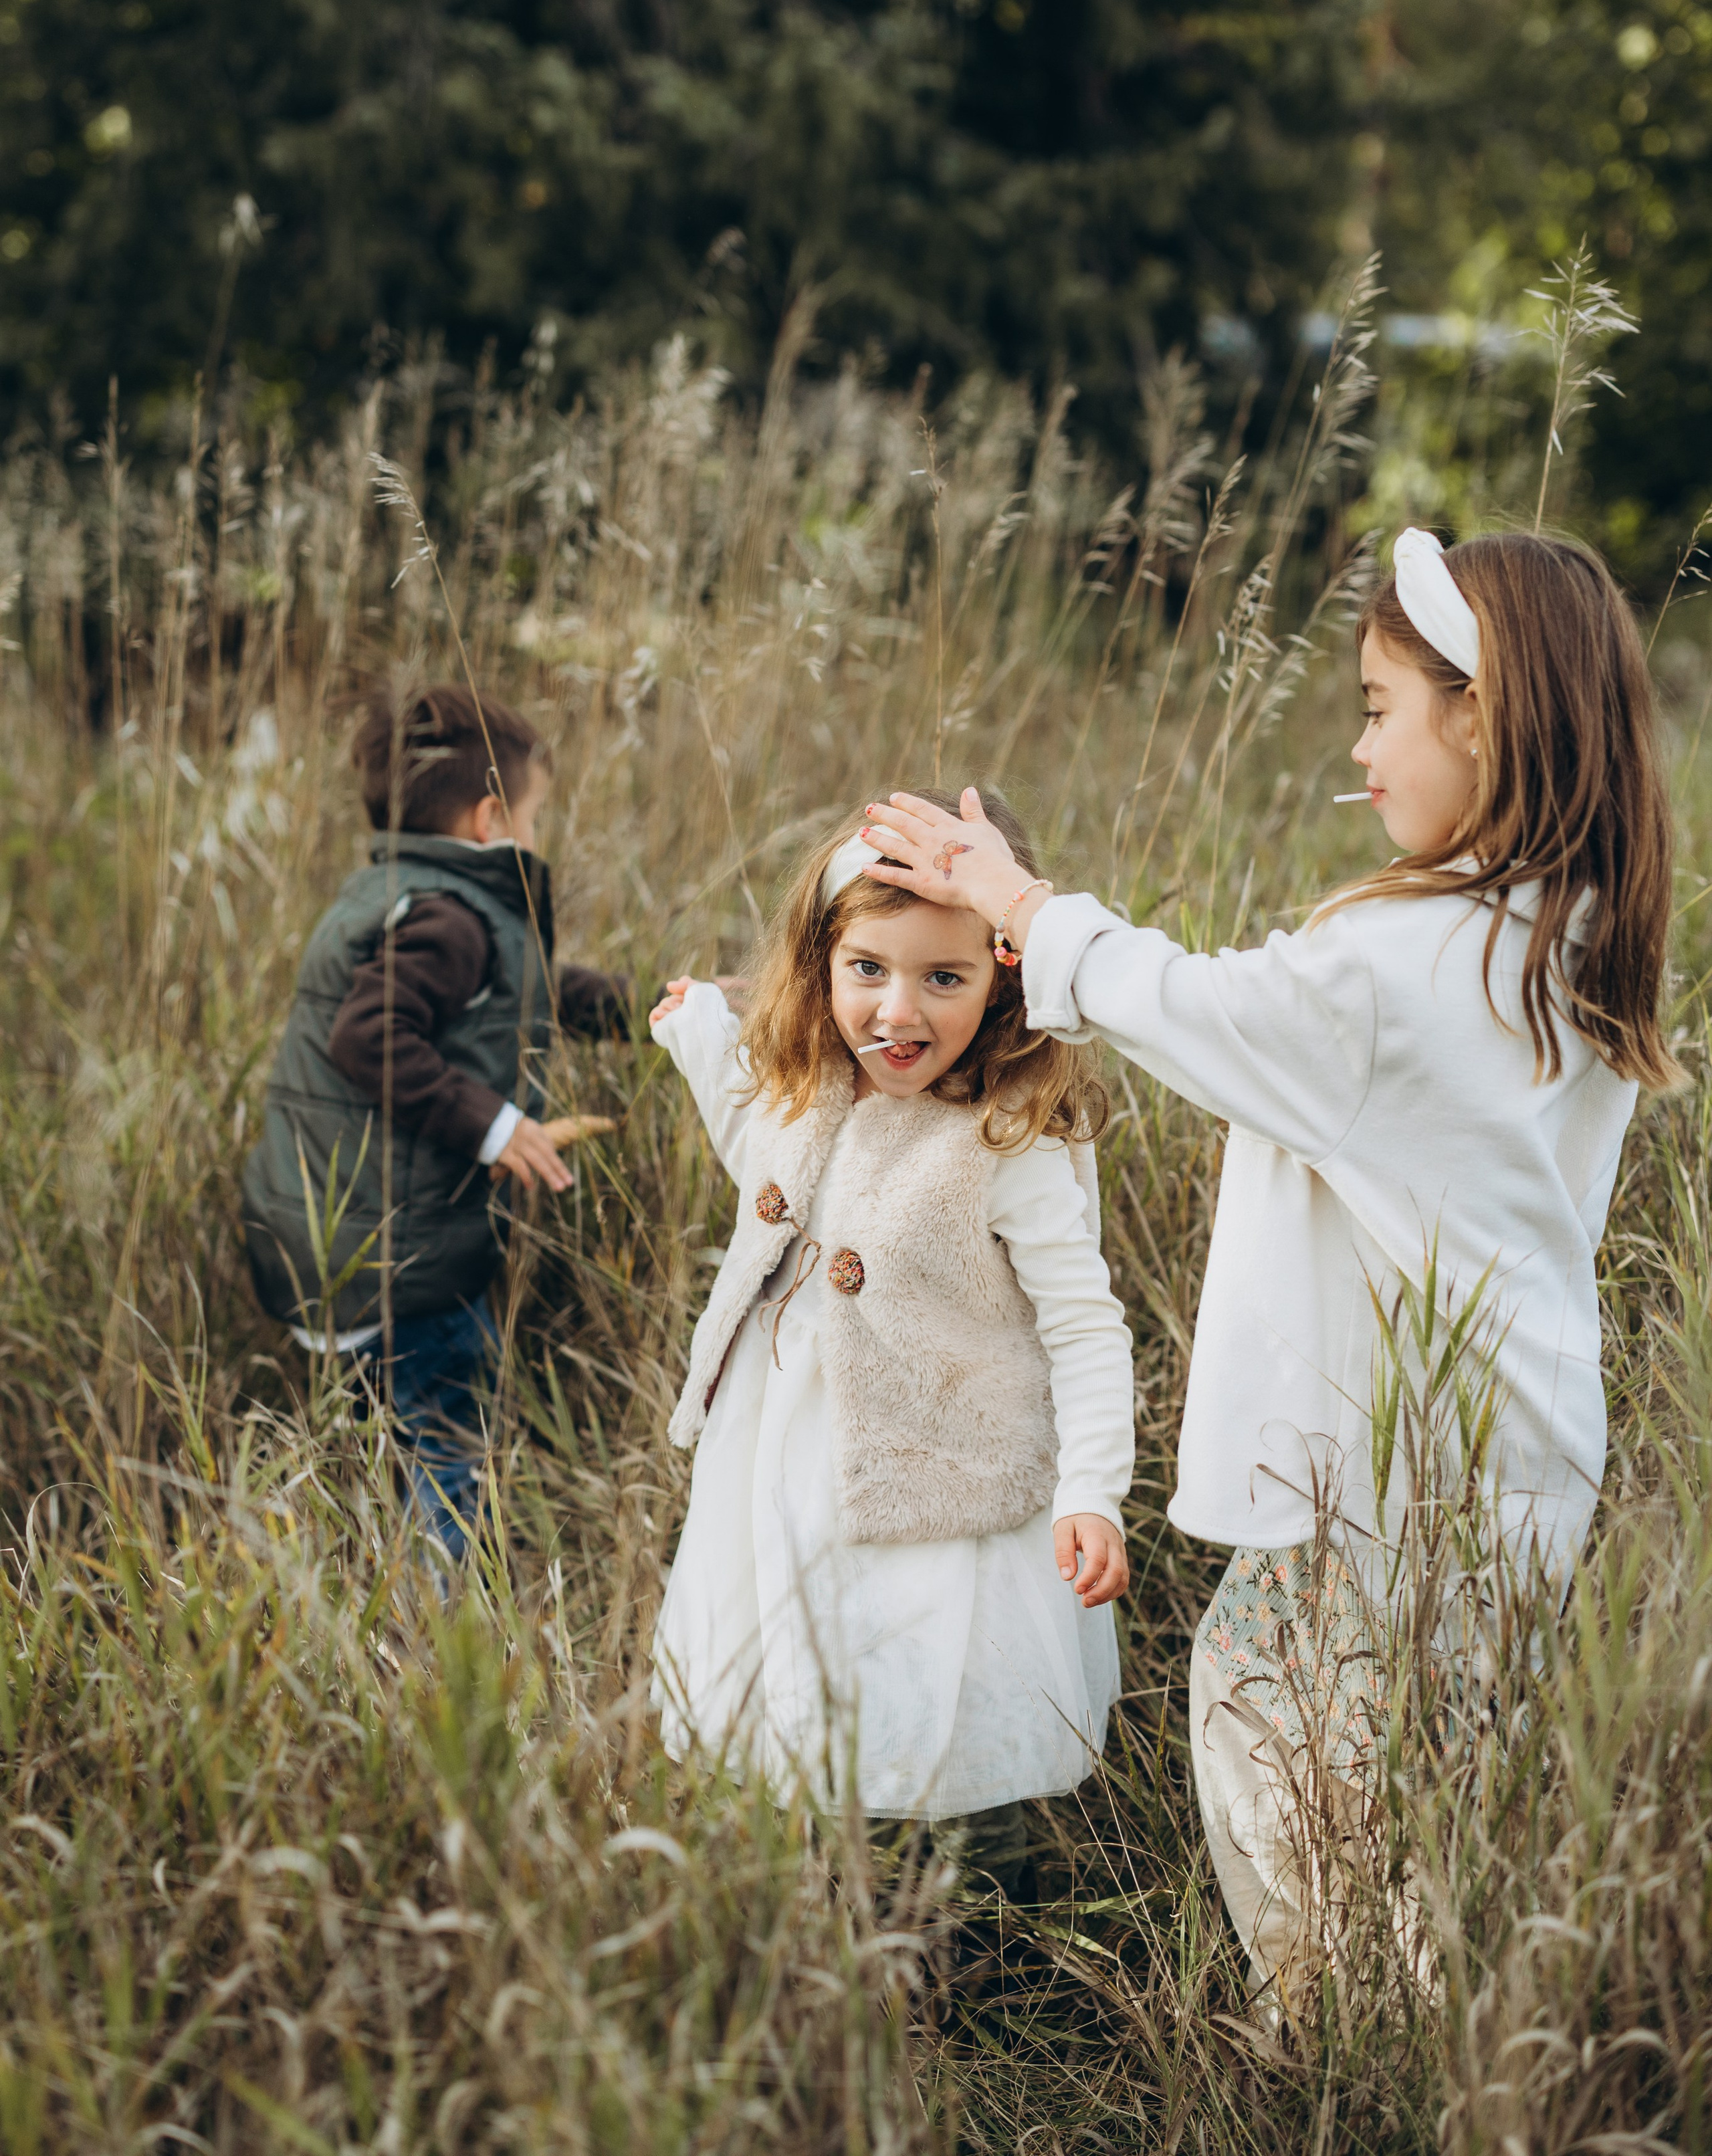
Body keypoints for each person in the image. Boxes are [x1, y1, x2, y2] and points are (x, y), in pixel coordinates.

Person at [861, 530, 1677, 2004]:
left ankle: (1350, 2053)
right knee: (1419, 1799)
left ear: (1483, 716)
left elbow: (1195, 1009)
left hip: (1382, 1491)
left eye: (1378, 705)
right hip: (1507, 1462)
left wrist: (1017, 905)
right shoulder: (1560, 926)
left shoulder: (1400, 976)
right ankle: (1422, 2043)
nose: (1357, 746)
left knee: (1304, 1779)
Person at [648, 789, 1134, 1903]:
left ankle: (972, 1938)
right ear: (822, 964)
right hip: (793, 1455)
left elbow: (1084, 1325)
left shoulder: (1010, 1138)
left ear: (1006, 974)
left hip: (946, 1475)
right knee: (811, 1669)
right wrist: (700, 1039)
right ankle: (832, 1904)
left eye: (943, 978)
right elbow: (763, 1162)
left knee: (937, 1692)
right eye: (867, 969)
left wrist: (1094, 1488)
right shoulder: (815, 1091)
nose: (896, 1011)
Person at [241, 682, 628, 1558]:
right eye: (535, 817)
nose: (537, 836)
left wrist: (643, 1012)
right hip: (397, 1257)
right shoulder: (454, 916)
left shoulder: (399, 891)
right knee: (452, 1443)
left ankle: (371, 1574)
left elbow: (515, 994)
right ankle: (442, 1644)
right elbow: (368, 1035)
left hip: (326, 1233)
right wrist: (497, 1126)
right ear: (492, 819)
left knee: (390, 1434)